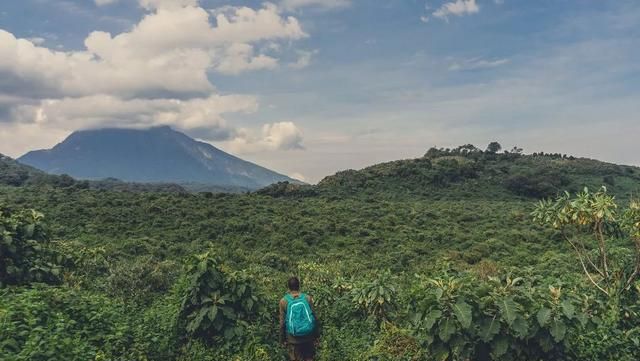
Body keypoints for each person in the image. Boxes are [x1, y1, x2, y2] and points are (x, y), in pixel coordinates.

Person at [279, 277, 320, 361]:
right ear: (299, 286)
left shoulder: (283, 301)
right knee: (309, 358)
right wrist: (316, 336)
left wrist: (282, 340)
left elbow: (282, 323)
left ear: (288, 287)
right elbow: (314, 318)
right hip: (308, 336)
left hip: (293, 339)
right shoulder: (307, 298)